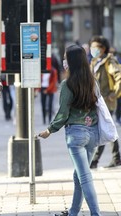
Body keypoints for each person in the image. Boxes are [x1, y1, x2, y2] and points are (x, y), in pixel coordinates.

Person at [39, 44, 102, 216]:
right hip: (93, 133)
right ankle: (73, 212)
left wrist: (49, 130)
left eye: (66, 58)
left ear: (71, 62)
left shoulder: (67, 84)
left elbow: (63, 113)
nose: (64, 61)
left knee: (84, 177)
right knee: (79, 175)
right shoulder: (92, 81)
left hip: (76, 136)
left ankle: (96, 213)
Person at [89, 35, 121, 168]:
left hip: (107, 101)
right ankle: (115, 158)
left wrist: (114, 94)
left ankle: (95, 161)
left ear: (103, 48)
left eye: (96, 47)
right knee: (105, 129)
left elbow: (119, 77)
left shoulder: (109, 61)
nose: (93, 49)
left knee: (103, 128)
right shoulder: (94, 62)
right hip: (97, 101)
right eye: (92, 47)